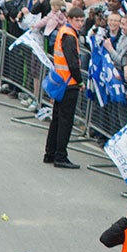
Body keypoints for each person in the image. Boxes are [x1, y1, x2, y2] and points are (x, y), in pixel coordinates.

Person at [40, 10, 83, 170]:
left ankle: (50, 153)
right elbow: (73, 63)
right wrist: (80, 81)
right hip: (68, 83)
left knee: (57, 119)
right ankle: (60, 155)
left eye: (81, 20)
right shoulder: (69, 35)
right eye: (77, 20)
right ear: (70, 19)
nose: (80, 23)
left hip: (60, 81)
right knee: (65, 121)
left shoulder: (64, 31)